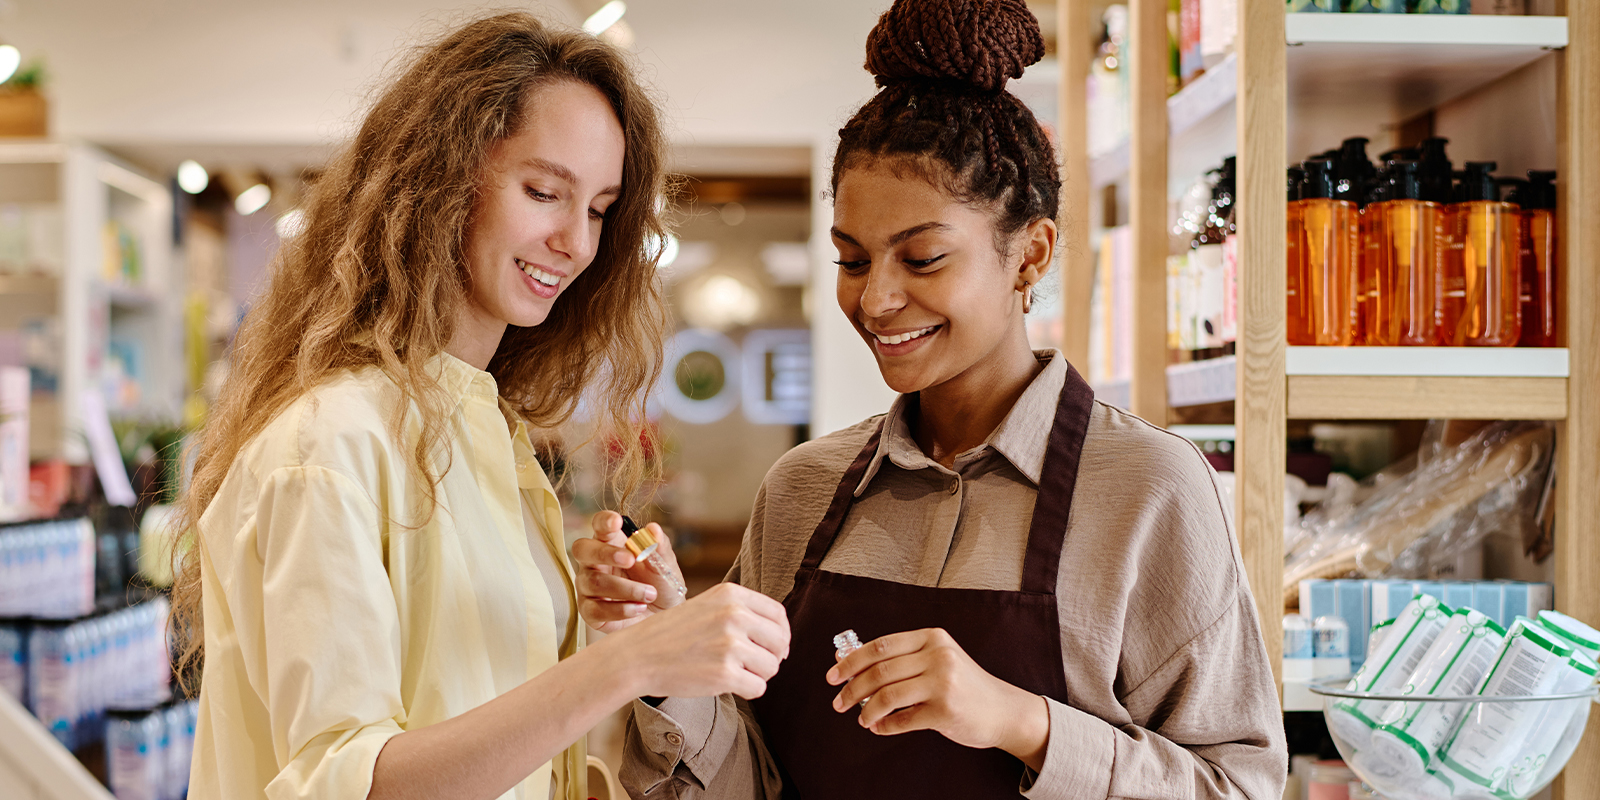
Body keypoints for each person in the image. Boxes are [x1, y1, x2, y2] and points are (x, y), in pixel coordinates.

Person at [574, 0, 1287, 797]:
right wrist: (671, 652)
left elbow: (1238, 785)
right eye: (852, 260)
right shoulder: (801, 490)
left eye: (923, 258)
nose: (876, 300)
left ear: (1030, 254)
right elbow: (754, 777)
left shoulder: (1150, 489)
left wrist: (1024, 722)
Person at [168, 13, 790, 800]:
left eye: (598, 208)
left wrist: (633, 628)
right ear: (438, 179)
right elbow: (349, 782)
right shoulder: (328, 445)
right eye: (543, 192)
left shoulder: (487, 429)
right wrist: (625, 664)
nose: (577, 242)